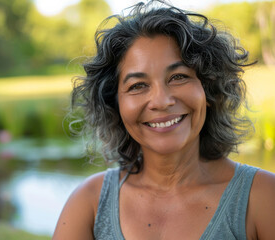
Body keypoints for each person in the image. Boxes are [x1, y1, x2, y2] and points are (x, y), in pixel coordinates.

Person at [53, 1, 275, 239]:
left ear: (208, 89)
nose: (161, 100)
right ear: (115, 104)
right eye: (138, 85)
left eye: (178, 77)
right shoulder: (89, 202)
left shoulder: (262, 197)